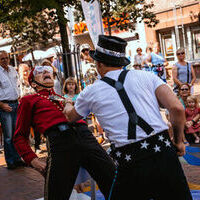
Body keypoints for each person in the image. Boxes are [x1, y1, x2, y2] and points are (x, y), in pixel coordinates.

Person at [63, 35, 192, 200]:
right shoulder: (147, 76)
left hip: (129, 159)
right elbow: (177, 108)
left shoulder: (90, 91)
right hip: (162, 150)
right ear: (121, 62)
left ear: (99, 63)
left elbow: (70, 117)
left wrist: (67, 103)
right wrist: (179, 140)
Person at [13, 65, 115, 200]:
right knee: (56, 194)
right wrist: (32, 159)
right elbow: (19, 136)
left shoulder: (63, 98)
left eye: (47, 70)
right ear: (33, 83)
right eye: (39, 72)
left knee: (114, 181)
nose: (45, 71)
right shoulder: (28, 100)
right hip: (60, 142)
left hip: (85, 136)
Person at [0, 50, 25, 169]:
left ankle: (17, 158)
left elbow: (18, 85)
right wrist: (1, 105)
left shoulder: (12, 70)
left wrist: (19, 99)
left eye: (6, 58)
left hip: (16, 104)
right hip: (5, 106)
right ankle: (10, 161)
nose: (5, 60)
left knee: (16, 134)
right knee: (9, 136)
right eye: (2, 59)